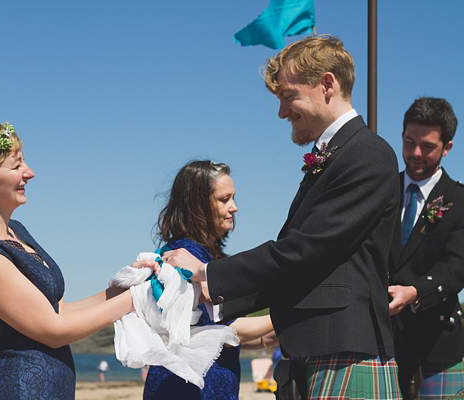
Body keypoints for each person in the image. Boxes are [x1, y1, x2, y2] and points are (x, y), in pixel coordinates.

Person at [163, 36, 402, 399]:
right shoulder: (339, 155)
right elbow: (297, 265)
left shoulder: (367, 154)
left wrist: (207, 272)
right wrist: (205, 296)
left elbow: (304, 250)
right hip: (319, 350)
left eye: (288, 96)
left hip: (344, 351)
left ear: (327, 84)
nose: (281, 112)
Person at [0, 119, 154, 399]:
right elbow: (54, 330)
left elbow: (56, 311)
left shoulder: (16, 231)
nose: (30, 172)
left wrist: (124, 288)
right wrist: (139, 298)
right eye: (16, 166)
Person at [143, 160, 277, 400]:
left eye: (234, 198)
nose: (234, 207)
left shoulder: (207, 258)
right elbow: (225, 330)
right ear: (198, 205)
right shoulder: (184, 257)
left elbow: (222, 339)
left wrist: (272, 337)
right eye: (224, 199)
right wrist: (290, 314)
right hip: (188, 388)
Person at [388, 97, 464, 399]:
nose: (416, 153)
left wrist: (416, 292)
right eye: (409, 142)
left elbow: (456, 266)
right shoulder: (382, 191)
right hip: (383, 341)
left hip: (437, 345)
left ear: (447, 147)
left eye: (428, 146)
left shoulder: (458, 200)